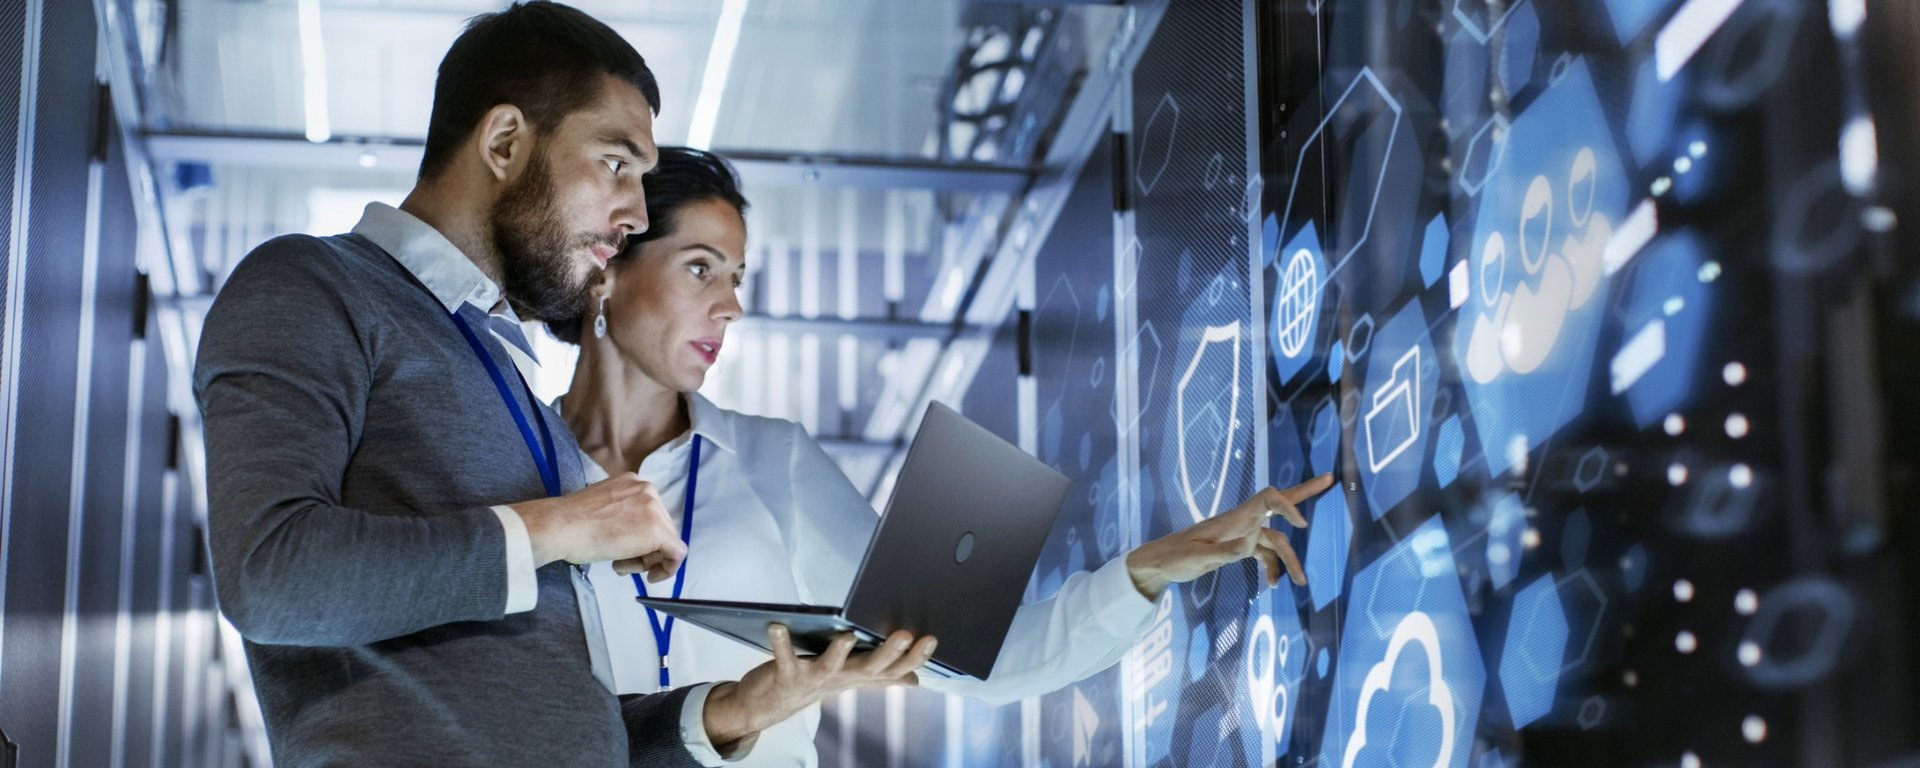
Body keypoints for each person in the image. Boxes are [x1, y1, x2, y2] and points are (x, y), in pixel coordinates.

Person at [193, 5, 930, 766]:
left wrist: (739, 708)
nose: (635, 214)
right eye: (616, 164)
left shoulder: (507, 378)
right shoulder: (314, 284)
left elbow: (554, 717)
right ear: (506, 141)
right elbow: (271, 575)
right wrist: (557, 527)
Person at [549, 146, 1338, 766]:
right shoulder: (520, 475)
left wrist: (1153, 567)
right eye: (700, 268)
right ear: (608, 268)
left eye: (737, 277)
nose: (732, 304)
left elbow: (978, 663)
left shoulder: (770, 461)